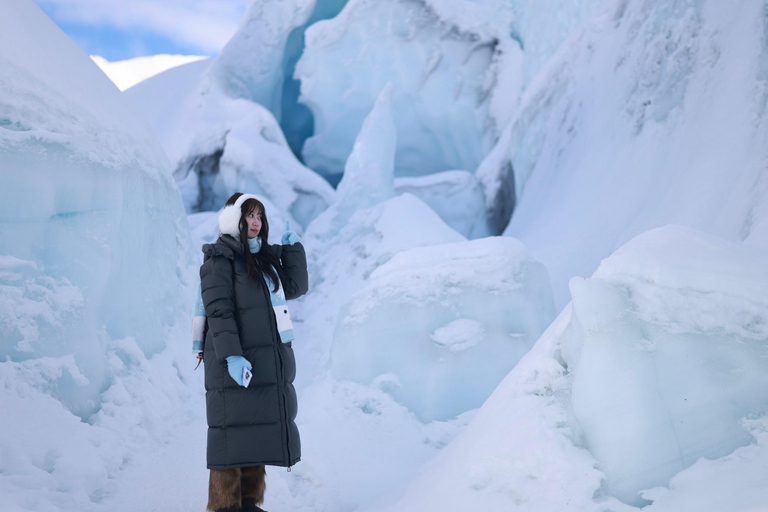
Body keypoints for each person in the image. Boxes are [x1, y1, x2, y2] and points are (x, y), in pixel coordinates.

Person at [192, 192, 308, 512]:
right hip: (232, 358)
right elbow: (219, 311)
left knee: (255, 428)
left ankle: (247, 502)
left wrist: (293, 250)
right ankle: (223, 505)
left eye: (259, 216)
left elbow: (295, 288)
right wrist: (231, 355)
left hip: (260, 359)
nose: (255, 222)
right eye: (248, 215)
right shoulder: (220, 258)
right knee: (230, 432)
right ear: (234, 219)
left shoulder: (262, 258)